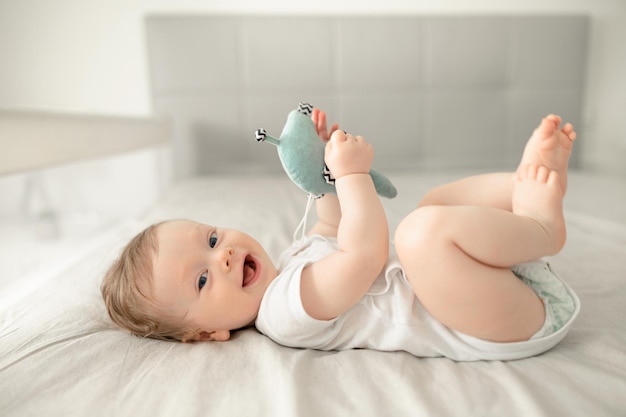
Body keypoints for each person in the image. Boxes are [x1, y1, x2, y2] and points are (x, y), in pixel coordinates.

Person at [101, 109, 580, 361]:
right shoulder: (283, 313)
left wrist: (322, 170)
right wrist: (353, 177)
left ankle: (525, 187)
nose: (223, 257)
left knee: (434, 203)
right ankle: (540, 228)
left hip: (486, 288)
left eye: (210, 240)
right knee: (418, 233)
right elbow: (363, 253)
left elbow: (332, 226)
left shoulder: (291, 264)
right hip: (493, 326)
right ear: (208, 334)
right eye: (202, 281)